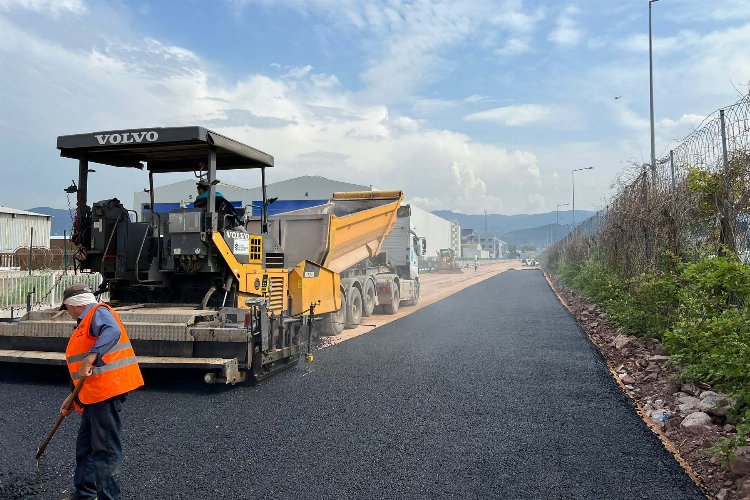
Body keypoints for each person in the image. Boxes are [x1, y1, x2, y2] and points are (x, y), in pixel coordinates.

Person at [59, 283, 144, 500]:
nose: (67, 313)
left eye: (66, 308)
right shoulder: (85, 322)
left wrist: (92, 356)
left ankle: (108, 497)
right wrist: (73, 396)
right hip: (91, 394)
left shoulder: (99, 313)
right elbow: (81, 369)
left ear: (73, 305)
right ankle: (84, 494)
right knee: (85, 447)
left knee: (104, 450)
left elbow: (112, 331)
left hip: (105, 394)